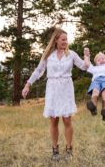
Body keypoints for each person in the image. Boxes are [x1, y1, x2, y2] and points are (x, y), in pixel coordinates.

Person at [22, 28, 90, 160]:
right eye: (63, 39)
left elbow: (84, 66)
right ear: (56, 40)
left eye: (66, 39)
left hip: (66, 88)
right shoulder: (48, 55)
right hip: (52, 88)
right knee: (53, 119)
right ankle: (55, 150)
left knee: (67, 119)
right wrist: (28, 84)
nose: (65, 42)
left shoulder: (71, 54)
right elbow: (38, 70)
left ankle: (69, 149)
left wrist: (87, 56)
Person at [85, 48, 105, 121]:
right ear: (96, 63)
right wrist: (86, 55)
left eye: (103, 58)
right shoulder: (94, 68)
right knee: (95, 92)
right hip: (96, 81)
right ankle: (93, 107)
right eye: (99, 60)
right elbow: (87, 63)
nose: (101, 60)